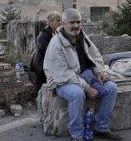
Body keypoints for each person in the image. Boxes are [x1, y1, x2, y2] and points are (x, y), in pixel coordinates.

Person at [43, 8, 122, 141]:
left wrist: (99, 72)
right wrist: (86, 87)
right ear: (63, 23)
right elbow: (62, 73)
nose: (75, 25)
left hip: (84, 75)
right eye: (72, 22)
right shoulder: (56, 44)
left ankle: (101, 127)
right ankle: (77, 135)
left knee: (111, 88)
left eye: (78, 22)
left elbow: (94, 55)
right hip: (61, 81)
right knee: (77, 94)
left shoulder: (81, 36)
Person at [29, 10, 62, 91]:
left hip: (50, 63)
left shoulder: (56, 33)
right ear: (51, 22)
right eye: (57, 21)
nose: (60, 23)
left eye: (60, 20)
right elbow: (44, 49)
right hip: (41, 64)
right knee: (43, 88)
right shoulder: (44, 34)